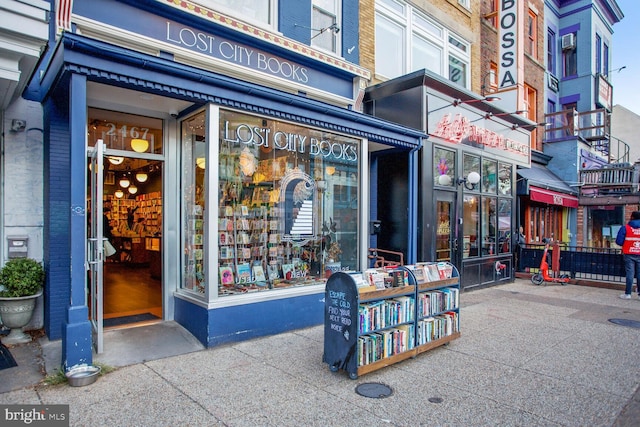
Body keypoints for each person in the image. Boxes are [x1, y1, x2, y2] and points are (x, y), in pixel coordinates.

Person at [615, 211, 640, 300]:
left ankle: (628, 294)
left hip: (628, 253)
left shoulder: (625, 228)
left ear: (632, 217)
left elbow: (619, 241)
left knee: (630, 273)